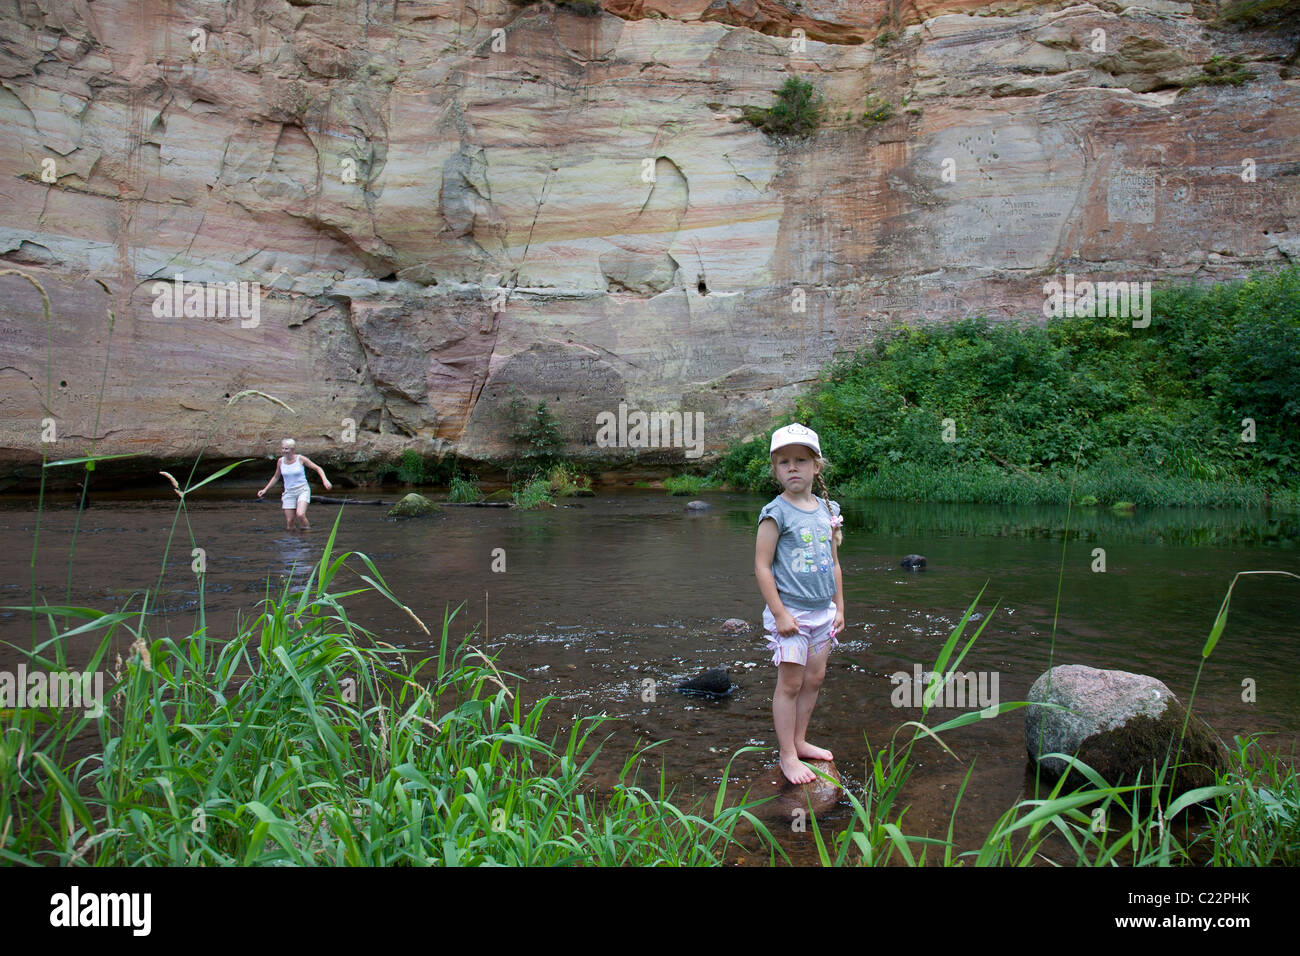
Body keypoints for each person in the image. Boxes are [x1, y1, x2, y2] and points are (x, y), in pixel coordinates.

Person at [755, 423, 845, 785]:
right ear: (775, 469)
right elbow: (761, 566)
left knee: (815, 678)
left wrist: (840, 605)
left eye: (801, 461)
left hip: (823, 612)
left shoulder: (828, 508)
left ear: (816, 466)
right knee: (790, 684)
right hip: (791, 613)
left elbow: (835, 563)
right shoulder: (776, 513)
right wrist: (779, 613)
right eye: (784, 462)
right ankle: (787, 754)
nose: (793, 468)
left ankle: (800, 740)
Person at [257, 439, 331, 532]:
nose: (284, 451)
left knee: (300, 514)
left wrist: (325, 480)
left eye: (287, 449)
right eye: (283, 448)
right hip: (289, 492)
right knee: (289, 522)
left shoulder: (300, 459)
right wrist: (265, 489)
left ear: (293, 449)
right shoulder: (280, 461)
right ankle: (291, 542)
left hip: (302, 490)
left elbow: (317, 468)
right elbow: (276, 477)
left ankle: (307, 533)